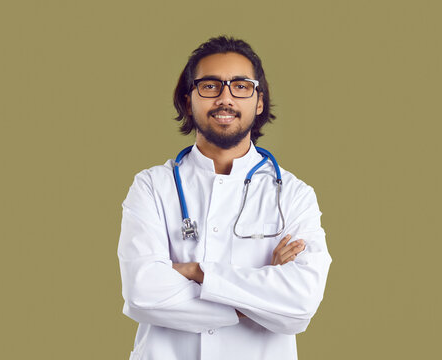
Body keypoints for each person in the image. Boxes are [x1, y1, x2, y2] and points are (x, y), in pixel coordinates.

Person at [118, 36, 332, 360]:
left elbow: (300, 305)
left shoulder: (293, 195)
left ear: (259, 101)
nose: (225, 98)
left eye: (241, 86)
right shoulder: (151, 187)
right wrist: (258, 299)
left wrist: (197, 272)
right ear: (188, 99)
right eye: (210, 86)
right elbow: (142, 293)